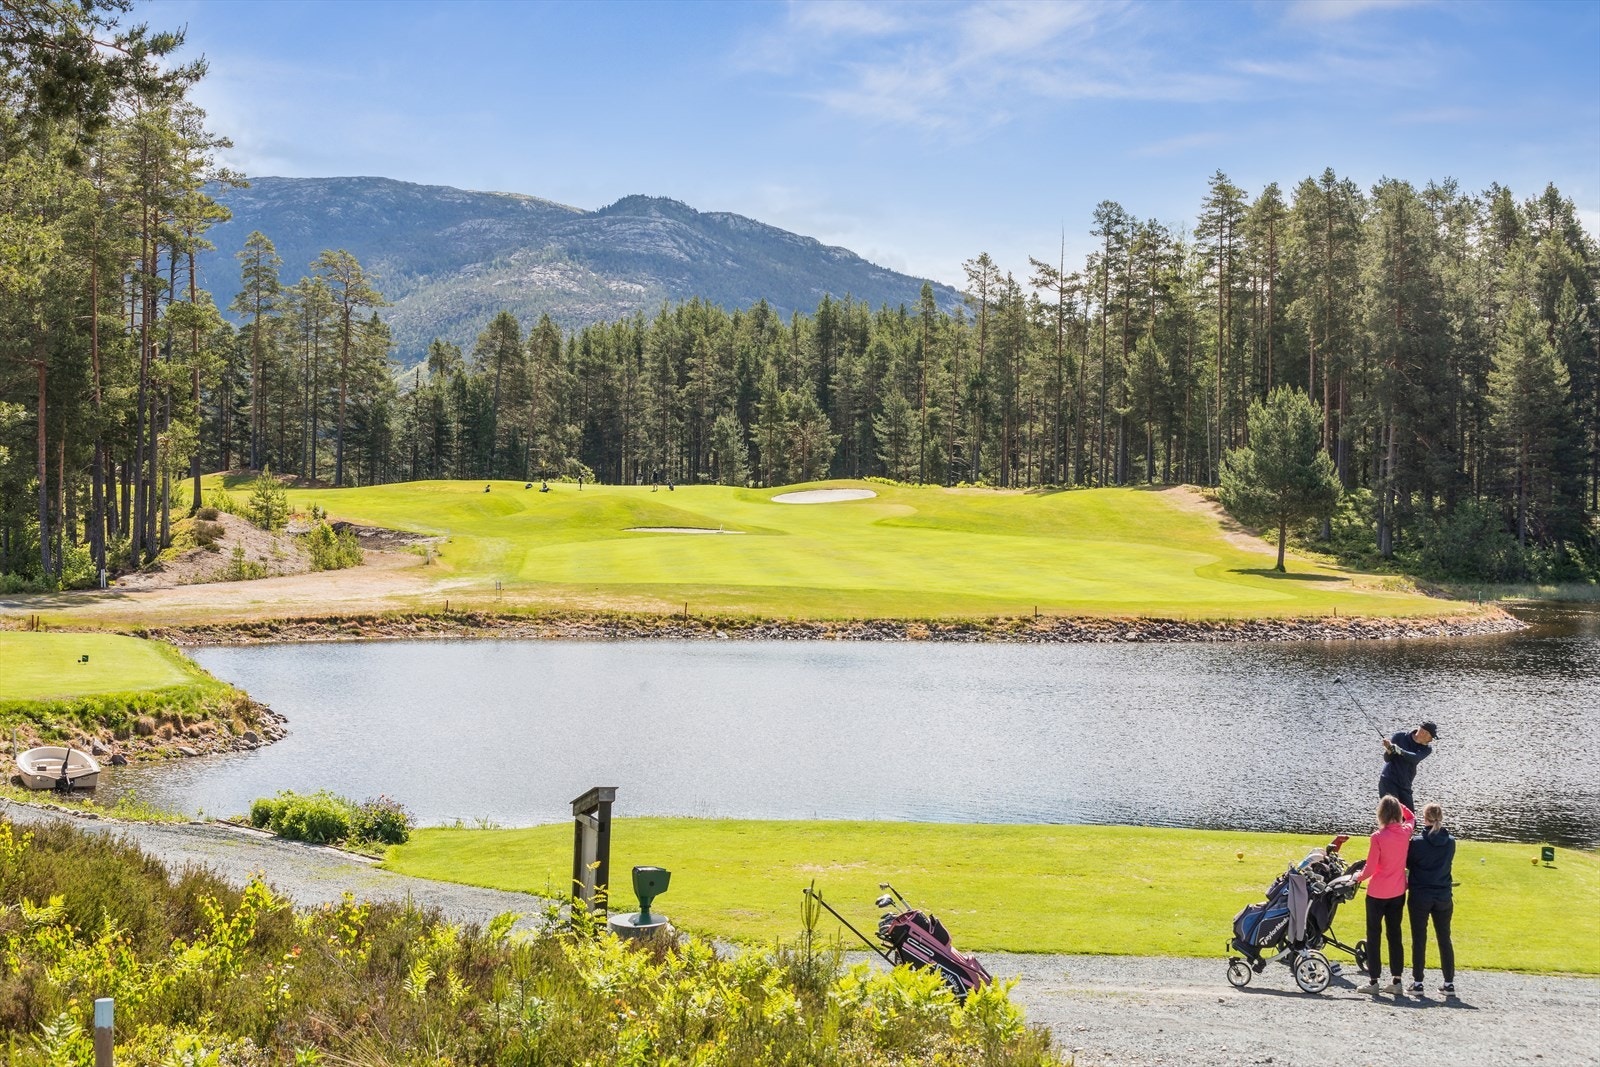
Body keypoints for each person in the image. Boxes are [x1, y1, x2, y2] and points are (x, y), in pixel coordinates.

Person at [1354, 794, 1415, 994]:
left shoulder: (1378, 837)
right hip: (1397, 892)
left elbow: (1370, 869)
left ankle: (1373, 981)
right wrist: (1401, 805)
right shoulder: (1405, 831)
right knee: (1394, 934)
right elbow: (1412, 817)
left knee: (1374, 935)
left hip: (1377, 893)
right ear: (1397, 813)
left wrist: (1357, 877)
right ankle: (1396, 981)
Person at [1406, 802, 1456, 996]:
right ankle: (1449, 982)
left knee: (1419, 938)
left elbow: (1408, 863)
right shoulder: (1450, 841)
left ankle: (1418, 982)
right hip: (1443, 895)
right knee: (1444, 938)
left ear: (1424, 818)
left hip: (1420, 895)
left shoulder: (1417, 843)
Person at [1378, 720, 1437, 810]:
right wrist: (1388, 749)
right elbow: (1387, 759)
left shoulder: (1427, 749)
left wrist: (1399, 750)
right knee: (1392, 815)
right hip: (1388, 781)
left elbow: (1415, 758)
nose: (1431, 740)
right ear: (1424, 733)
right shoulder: (1399, 737)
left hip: (1405, 784)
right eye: (1431, 737)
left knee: (1410, 818)